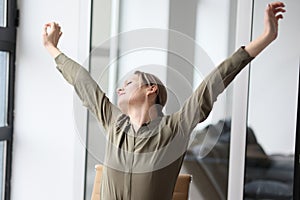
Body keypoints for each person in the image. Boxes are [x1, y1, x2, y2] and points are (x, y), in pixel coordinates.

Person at [42, 2, 285, 200]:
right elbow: (84, 84)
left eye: (128, 83)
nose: (119, 88)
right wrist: (52, 48)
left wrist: (266, 37)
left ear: (151, 89)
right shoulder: (115, 123)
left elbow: (215, 80)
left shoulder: (175, 129)